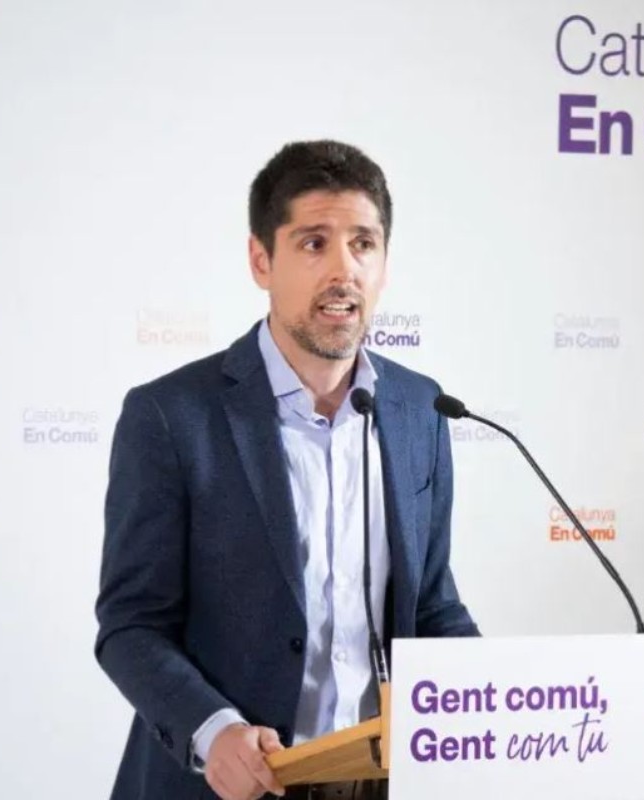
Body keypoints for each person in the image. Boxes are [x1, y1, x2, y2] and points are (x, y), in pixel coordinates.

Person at [94, 140, 480, 800]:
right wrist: (213, 730)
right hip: (229, 785)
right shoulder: (170, 416)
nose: (343, 270)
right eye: (313, 243)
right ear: (260, 260)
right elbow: (131, 626)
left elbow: (431, 607)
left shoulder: (421, 409)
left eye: (363, 244)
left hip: (377, 780)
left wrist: (506, 702)